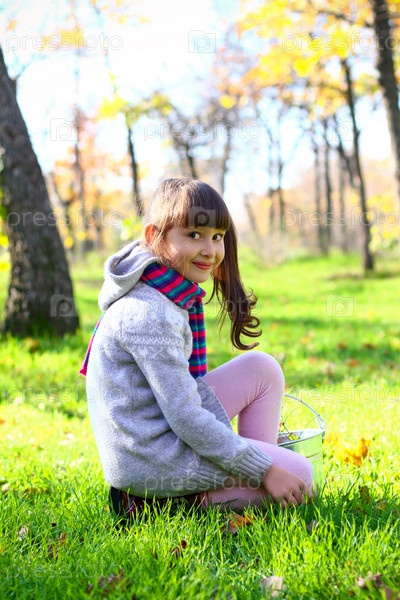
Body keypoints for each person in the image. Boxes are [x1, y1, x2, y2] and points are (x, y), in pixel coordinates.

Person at [80, 177, 313, 517]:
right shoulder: (148, 313)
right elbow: (186, 416)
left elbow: (183, 402)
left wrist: (261, 464)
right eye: (194, 235)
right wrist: (266, 470)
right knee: (302, 473)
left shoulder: (164, 290)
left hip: (163, 431)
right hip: (152, 460)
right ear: (153, 237)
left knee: (262, 369)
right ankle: (155, 505)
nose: (210, 250)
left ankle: (253, 474)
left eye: (217, 236)